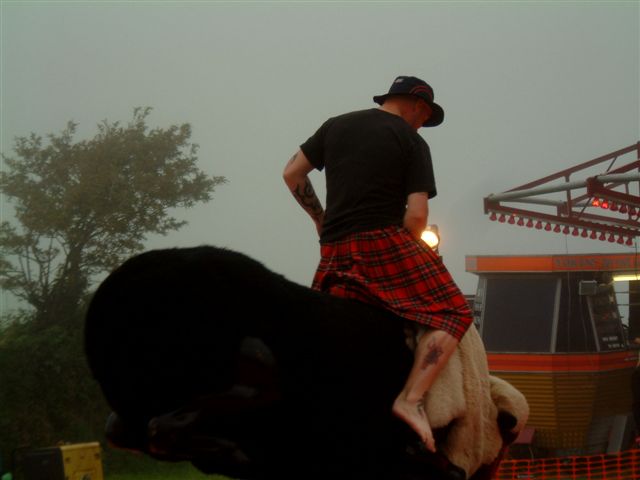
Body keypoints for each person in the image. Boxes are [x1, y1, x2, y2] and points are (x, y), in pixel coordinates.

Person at [282, 75, 473, 452]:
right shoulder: (410, 140)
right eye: (425, 117)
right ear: (417, 105)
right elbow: (417, 216)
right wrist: (411, 249)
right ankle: (411, 400)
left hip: (334, 249)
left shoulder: (335, 126)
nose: (422, 125)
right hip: (382, 243)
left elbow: (292, 173)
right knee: (453, 312)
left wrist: (321, 220)